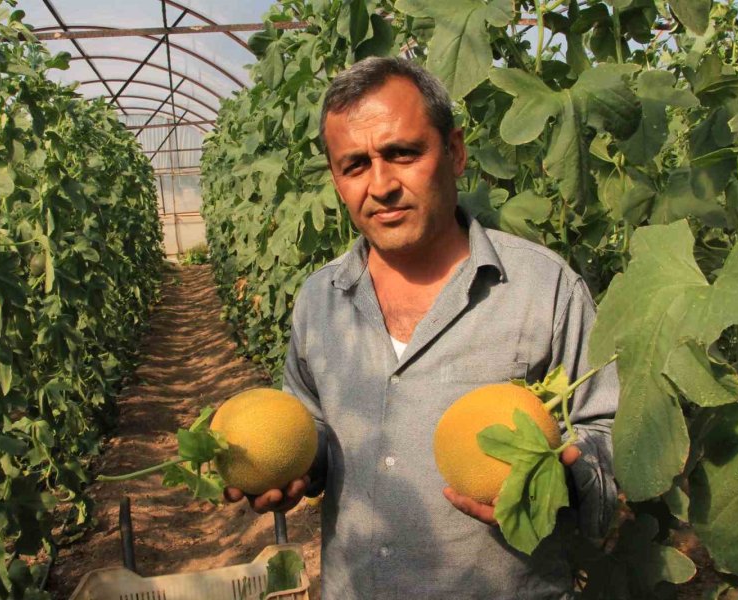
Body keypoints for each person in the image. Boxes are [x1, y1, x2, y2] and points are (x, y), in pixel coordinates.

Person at [224, 56, 619, 599]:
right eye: (355, 165)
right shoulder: (320, 300)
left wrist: (559, 482)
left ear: (454, 152)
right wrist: (292, 466)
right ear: (337, 179)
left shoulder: (545, 289)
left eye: (402, 154)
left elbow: (607, 433)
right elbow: (310, 424)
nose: (380, 185)